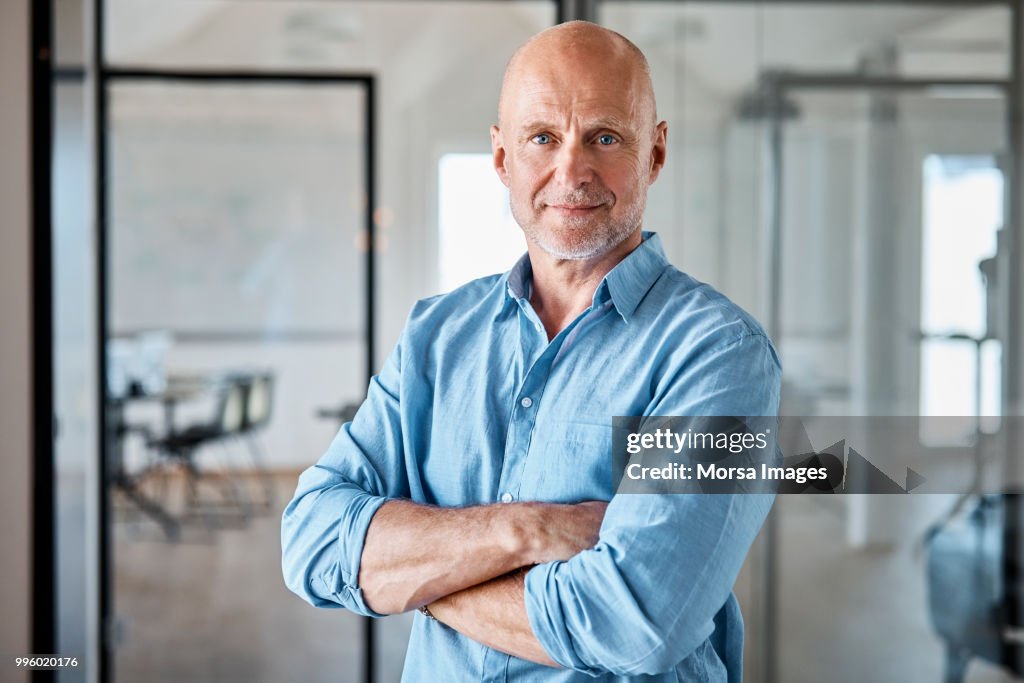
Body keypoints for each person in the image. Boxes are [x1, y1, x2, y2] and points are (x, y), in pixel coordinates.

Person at [282, 20, 781, 682]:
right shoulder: (436, 334)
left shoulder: (722, 356)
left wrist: (417, 575)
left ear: (655, 154)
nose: (571, 170)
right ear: (501, 158)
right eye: (542, 137)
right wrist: (522, 530)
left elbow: (635, 623)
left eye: (606, 137)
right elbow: (311, 541)